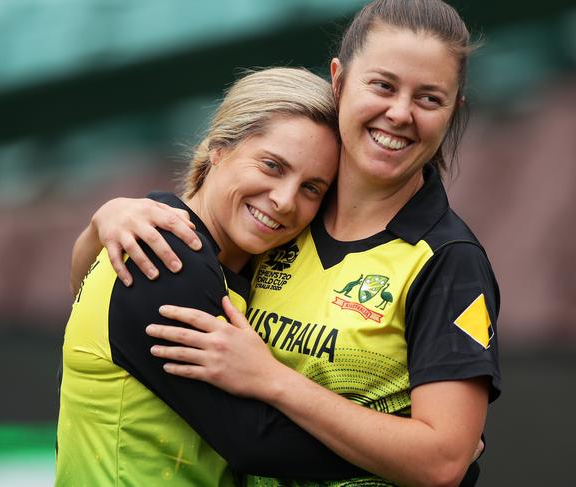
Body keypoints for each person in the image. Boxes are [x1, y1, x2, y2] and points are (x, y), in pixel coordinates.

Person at [73, 1, 501, 486]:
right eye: (383, 85)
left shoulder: (448, 262)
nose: (400, 113)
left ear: (453, 110)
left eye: (429, 98)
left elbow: (442, 461)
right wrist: (103, 219)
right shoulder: (281, 225)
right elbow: (104, 301)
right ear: (339, 81)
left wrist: (273, 380)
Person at [55, 66, 369, 486]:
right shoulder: (166, 258)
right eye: (272, 166)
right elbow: (255, 442)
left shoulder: (211, 255)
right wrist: (419, 456)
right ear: (218, 148)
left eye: (311, 188)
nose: (284, 200)